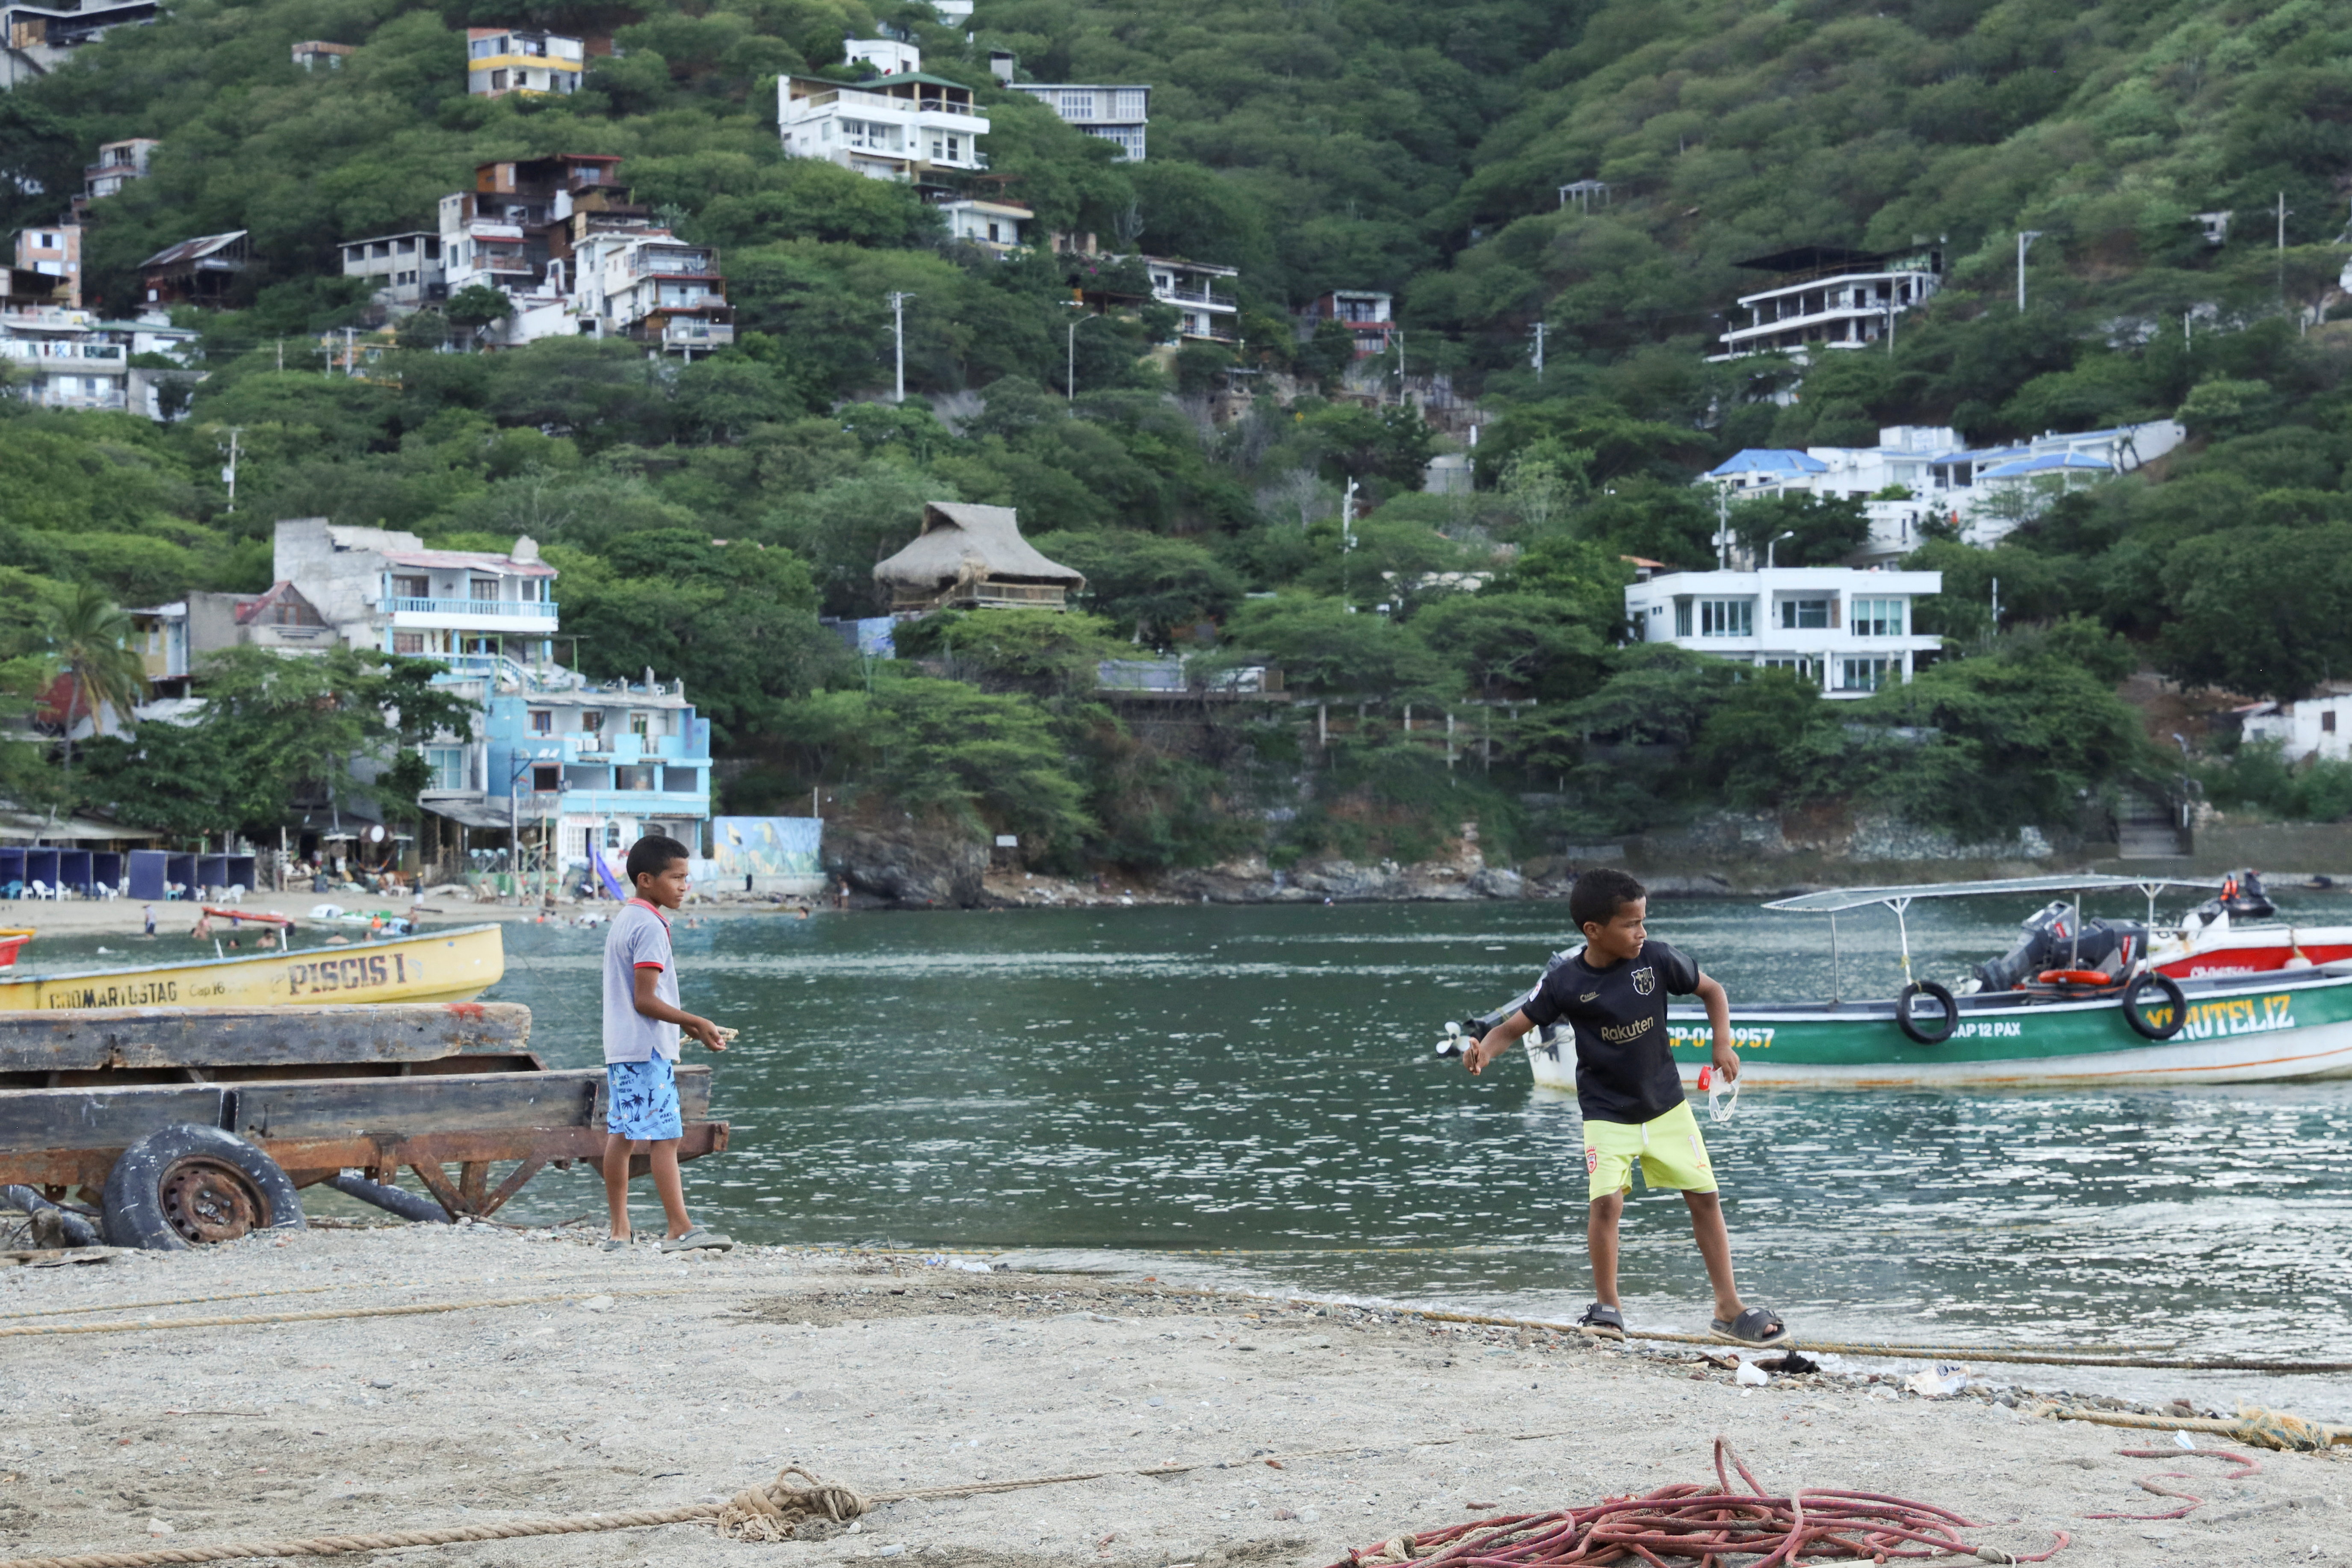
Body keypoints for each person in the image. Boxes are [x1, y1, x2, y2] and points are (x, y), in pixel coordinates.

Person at [1463, 867, 1786, 1348]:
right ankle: (1608, 1308)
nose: (1642, 932)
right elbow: (1514, 1026)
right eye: (1631, 923)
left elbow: (1712, 991)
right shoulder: (1565, 982)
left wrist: (1722, 1043)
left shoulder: (1655, 960)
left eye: (1644, 920)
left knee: (1704, 1197)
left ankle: (1727, 1307)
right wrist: (1484, 1050)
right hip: (1606, 1112)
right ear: (1594, 930)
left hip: (1666, 1106)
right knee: (1606, 1202)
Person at [602, 833, 733, 1253]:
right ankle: (679, 1227)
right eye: (676, 878)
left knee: (622, 1135)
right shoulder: (650, 925)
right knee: (666, 1137)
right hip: (646, 1050)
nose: (683, 886)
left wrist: (688, 1027)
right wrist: (695, 1021)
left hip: (624, 1047)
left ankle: (619, 1232)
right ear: (646, 879)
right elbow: (645, 999)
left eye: (686, 878)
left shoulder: (626, 918)